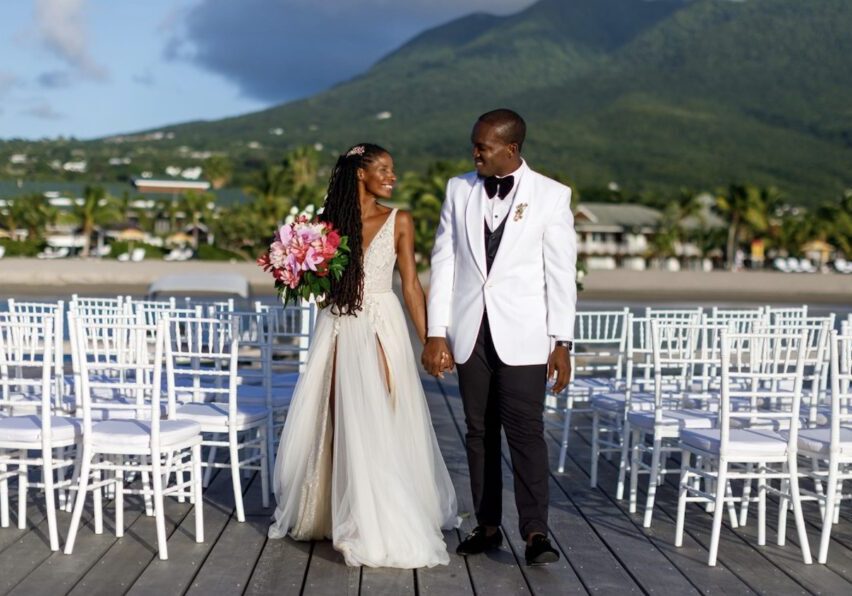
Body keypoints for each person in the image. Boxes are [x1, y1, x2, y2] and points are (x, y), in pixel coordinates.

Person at [269, 143, 459, 568]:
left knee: (380, 412)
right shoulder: (324, 228)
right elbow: (318, 289)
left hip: (381, 322)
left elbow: (410, 285)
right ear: (360, 172)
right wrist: (301, 273)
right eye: (384, 169)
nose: (392, 176)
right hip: (338, 325)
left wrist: (431, 338)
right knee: (338, 415)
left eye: (393, 169)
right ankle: (339, 510)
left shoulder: (400, 219)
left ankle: (379, 515)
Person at [422, 109, 577, 566]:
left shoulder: (552, 196)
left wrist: (562, 342)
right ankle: (487, 526)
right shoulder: (458, 189)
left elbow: (561, 273)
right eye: (474, 144)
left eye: (483, 147)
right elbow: (443, 262)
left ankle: (535, 534)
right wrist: (436, 333)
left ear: (510, 149)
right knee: (478, 432)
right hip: (470, 333)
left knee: (526, 432)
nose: (475, 153)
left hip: (526, 336)